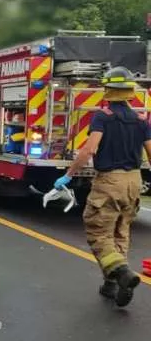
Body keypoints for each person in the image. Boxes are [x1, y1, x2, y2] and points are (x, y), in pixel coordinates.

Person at [54, 67, 151, 307]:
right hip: (134, 180)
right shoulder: (141, 120)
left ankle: (120, 272)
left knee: (98, 231)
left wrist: (68, 175)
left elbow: (89, 149)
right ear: (129, 91)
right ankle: (112, 285)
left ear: (107, 89)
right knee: (120, 230)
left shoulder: (103, 117)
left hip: (110, 181)